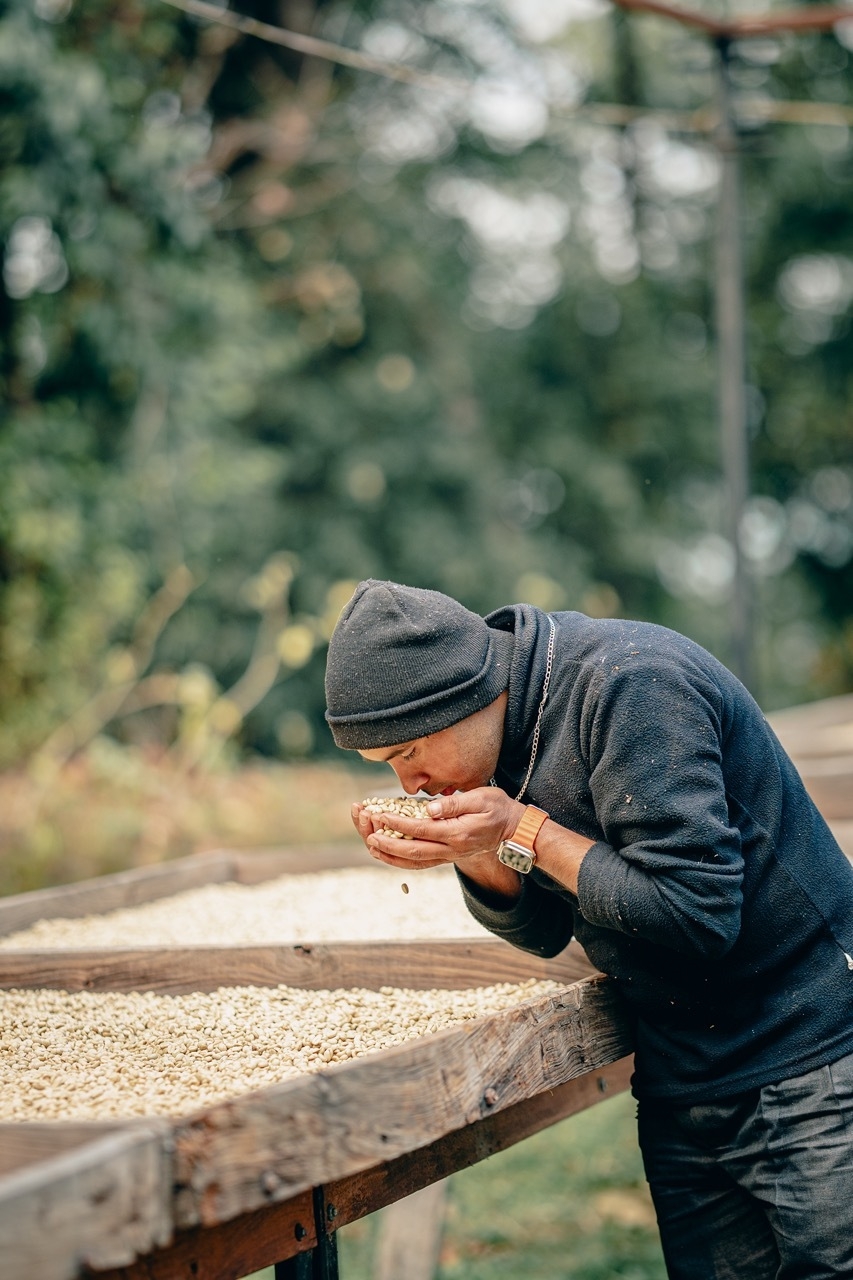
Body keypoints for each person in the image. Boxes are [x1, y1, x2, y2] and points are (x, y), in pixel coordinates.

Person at [324, 578, 853, 1280]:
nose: (411, 783)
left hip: (808, 1056)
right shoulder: (499, 737)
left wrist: (521, 828)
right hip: (680, 1073)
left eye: (409, 753)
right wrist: (480, 852)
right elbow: (545, 930)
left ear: (458, 701)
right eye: (388, 768)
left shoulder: (631, 685)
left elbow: (697, 915)